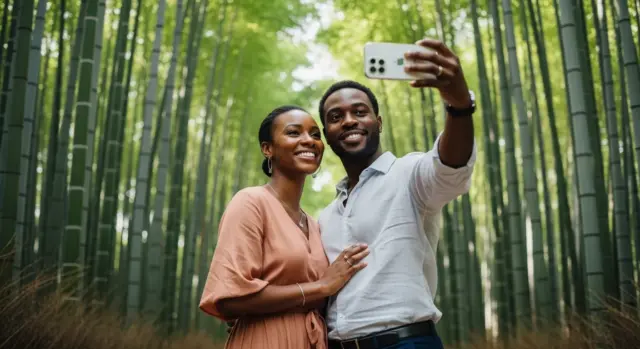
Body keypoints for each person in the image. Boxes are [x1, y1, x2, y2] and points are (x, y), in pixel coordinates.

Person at [317, 38, 477, 349]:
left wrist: (458, 105)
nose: (348, 120)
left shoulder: (409, 174)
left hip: (406, 342)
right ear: (326, 135)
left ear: (378, 122)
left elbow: (450, 167)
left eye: (359, 112)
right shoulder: (326, 215)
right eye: (335, 117)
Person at [199, 105, 370, 349]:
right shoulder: (250, 202)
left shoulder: (315, 222)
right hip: (265, 339)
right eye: (293, 133)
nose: (308, 141)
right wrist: (321, 286)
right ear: (267, 148)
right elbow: (229, 298)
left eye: (314, 134)